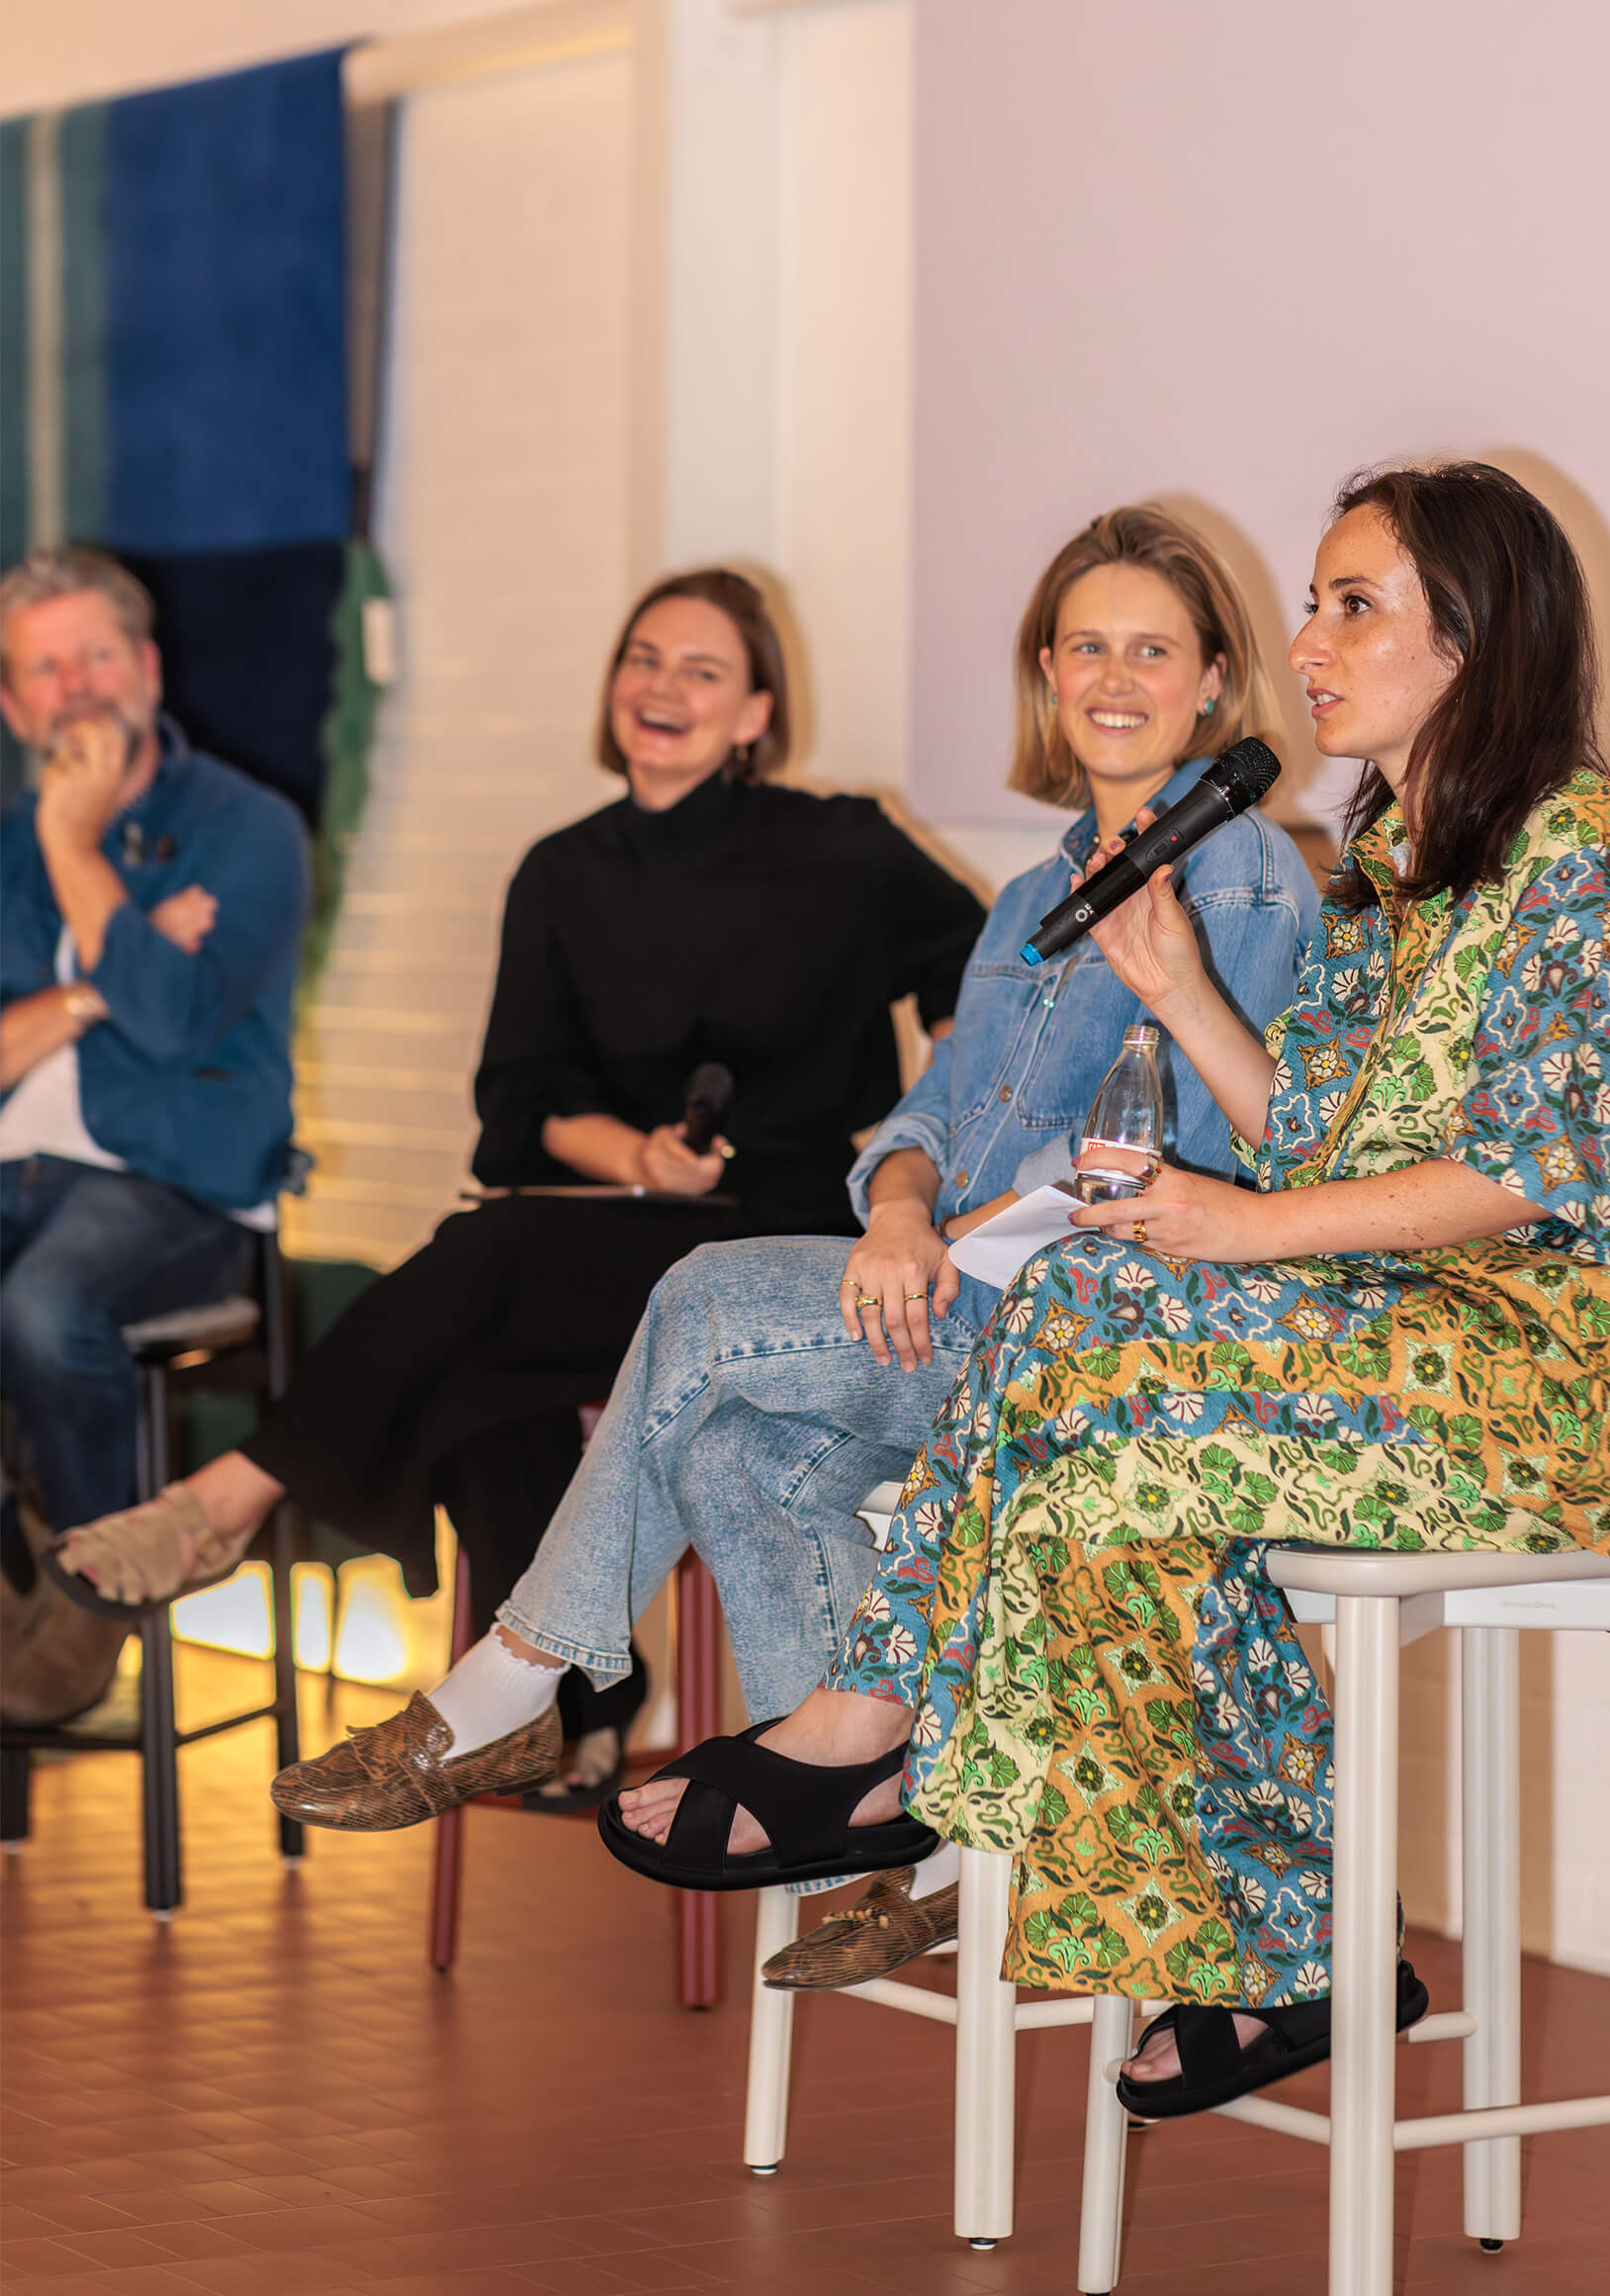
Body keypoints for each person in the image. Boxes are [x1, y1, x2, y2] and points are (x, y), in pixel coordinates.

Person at [600, 461, 1610, 2109]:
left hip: (1554, 1394)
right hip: (1399, 1352)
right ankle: (1292, 1956)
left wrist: (1244, 1228)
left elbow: (1532, 1171)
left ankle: (879, 1722)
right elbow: (1324, 1133)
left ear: (1474, 644)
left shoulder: (1591, 866)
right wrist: (1188, 996)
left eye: (1354, 605)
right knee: (1101, 1431)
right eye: (1315, 601)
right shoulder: (1400, 855)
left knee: (1092, 1352)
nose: (1309, 638)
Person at [268, 503, 1321, 1984]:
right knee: (727, 1452)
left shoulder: (1248, 875)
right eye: (1087, 643)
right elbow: (935, 1104)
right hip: (958, 1304)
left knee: (700, 1289)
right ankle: (894, 1835)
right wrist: (900, 1206)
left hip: (1095, 1348)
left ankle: (519, 1679)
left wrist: (950, 1233)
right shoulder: (1033, 895)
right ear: (1045, 668)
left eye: (1155, 648)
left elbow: (1197, 1159)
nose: (1115, 675)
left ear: (1215, 682)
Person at [40, 565, 986, 1799]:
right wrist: (635, 1156)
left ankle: (232, 1506)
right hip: (612, 1228)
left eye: (702, 671)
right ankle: (562, 1708)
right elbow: (517, 1107)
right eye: (642, 659)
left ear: (755, 712)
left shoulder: (844, 847)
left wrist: (942, 1139)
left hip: (782, 1237)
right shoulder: (559, 872)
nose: (661, 689)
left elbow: (993, 984)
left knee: (473, 1281)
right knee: (482, 1376)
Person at [0, 548, 308, 1725]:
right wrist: (98, 980)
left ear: (146, 669)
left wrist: (76, 847)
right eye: (45, 667)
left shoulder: (248, 828)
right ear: (16, 703)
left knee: (40, 1305)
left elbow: (176, 1022)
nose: (73, 687)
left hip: (174, 1187)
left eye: (94, 656)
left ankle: (93, 1582)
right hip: (19, 1174)